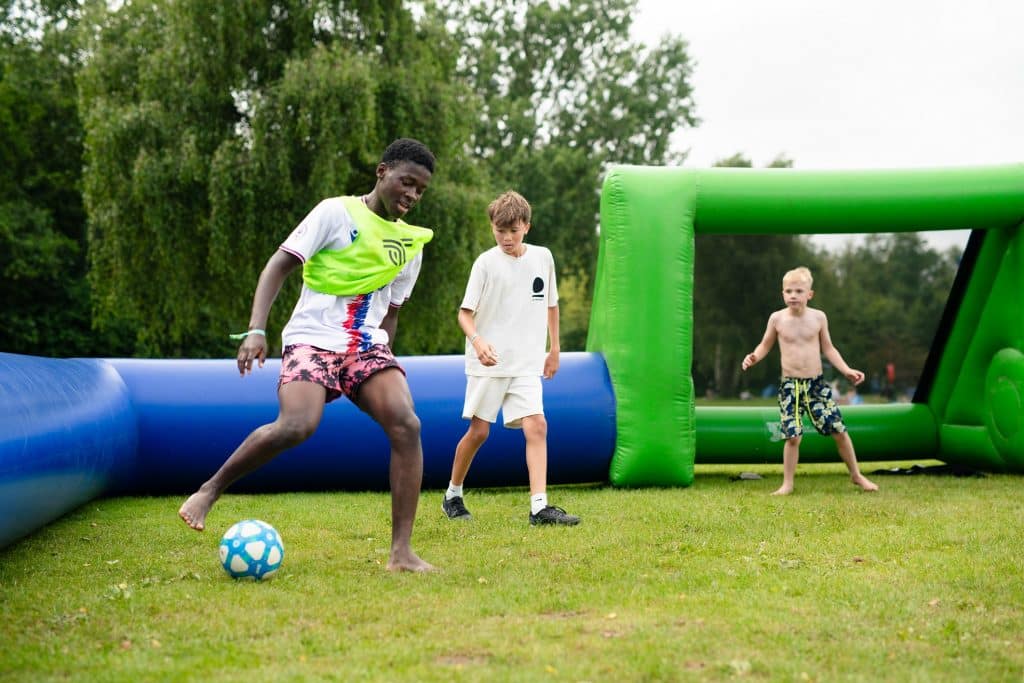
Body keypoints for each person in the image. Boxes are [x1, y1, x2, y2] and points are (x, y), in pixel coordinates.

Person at [178, 138, 437, 572]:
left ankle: (402, 553)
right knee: (298, 425)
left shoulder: (410, 244)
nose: (411, 195)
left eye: (421, 190)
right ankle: (210, 489)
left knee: (407, 423)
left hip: (363, 345)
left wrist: (381, 360)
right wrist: (256, 331)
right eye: (406, 182)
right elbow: (278, 265)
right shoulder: (334, 212)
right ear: (382, 172)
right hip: (312, 338)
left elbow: (391, 311)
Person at [441, 191, 580, 526]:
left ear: (527, 227)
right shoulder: (485, 264)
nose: (506, 237)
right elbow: (463, 314)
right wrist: (477, 342)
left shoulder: (543, 258)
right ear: (492, 228)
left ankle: (539, 508)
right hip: (487, 363)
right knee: (479, 432)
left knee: (537, 426)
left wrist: (555, 349)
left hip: (527, 364)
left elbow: (551, 305)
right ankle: (453, 495)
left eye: (513, 231)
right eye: (499, 230)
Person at [741, 266, 878, 495]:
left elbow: (829, 348)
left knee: (839, 430)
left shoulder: (818, 317)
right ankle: (787, 484)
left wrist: (846, 370)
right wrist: (753, 357)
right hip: (790, 387)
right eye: (788, 291)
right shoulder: (777, 319)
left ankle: (856, 475)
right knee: (793, 437)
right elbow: (765, 345)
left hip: (816, 386)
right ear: (783, 294)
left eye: (798, 290)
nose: (793, 295)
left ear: (809, 294)